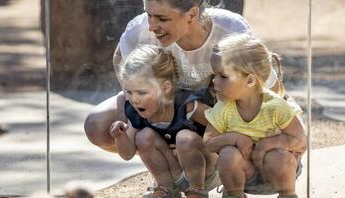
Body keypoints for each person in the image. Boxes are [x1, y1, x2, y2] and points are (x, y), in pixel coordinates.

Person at [85, 0, 260, 153]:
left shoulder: (230, 28)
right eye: (148, 15)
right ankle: (162, 155)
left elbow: (261, 82)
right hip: (164, 101)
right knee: (97, 126)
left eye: (162, 18)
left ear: (191, 14)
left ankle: (212, 158)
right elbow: (120, 57)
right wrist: (136, 98)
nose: (152, 26)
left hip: (214, 105)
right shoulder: (140, 30)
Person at [203, 33, 307, 198]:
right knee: (228, 153)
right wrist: (233, 138)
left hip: (277, 173)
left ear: (250, 81)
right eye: (214, 75)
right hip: (243, 173)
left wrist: (267, 145)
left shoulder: (276, 106)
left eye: (223, 76)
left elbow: (300, 140)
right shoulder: (223, 108)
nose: (214, 82)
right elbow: (208, 143)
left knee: (279, 156)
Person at [109, 45, 218, 198]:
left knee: (184, 138)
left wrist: (202, 143)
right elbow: (127, 154)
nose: (134, 99)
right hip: (175, 171)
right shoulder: (135, 112)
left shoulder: (187, 105)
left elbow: (219, 125)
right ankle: (167, 191)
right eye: (129, 92)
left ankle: (198, 192)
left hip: (205, 170)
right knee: (144, 136)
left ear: (165, 88)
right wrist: (120, 136)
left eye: (142, 92)